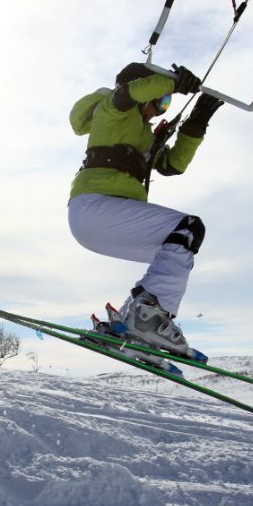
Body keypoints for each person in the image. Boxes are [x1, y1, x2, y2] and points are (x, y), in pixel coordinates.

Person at [67, 62, 223, 361]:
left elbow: (172, 166)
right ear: (142, 92)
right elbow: (129, 94)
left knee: (178, 247)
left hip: (107, 221)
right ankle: (149, 319)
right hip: (95, 207)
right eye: (159, 101)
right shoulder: (112, 110)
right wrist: (173, 82)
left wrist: (196, 125)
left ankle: (127, 325)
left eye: (166, 105)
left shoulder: (143, 135)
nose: (159, 110)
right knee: (189, 227)